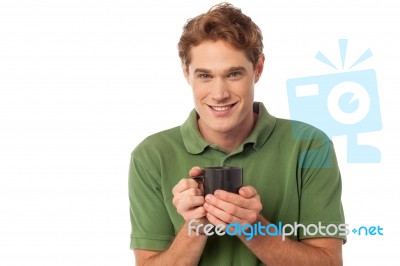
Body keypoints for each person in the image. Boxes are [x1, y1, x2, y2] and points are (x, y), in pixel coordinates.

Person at [129, 2, 346, 265]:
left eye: (233, 74)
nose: (219, 93)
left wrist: (252, 228)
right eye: (205, 76)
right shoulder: (151, 155)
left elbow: (329, 262)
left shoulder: (310, 146)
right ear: (186, 73)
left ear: (258, 69)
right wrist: (196, 225)